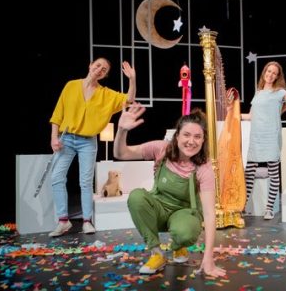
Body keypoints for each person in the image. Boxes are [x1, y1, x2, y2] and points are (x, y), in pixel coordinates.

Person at [114, 104, 226, 277]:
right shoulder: (162, 149)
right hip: (158, 209)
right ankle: (157, 254)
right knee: (136, 197)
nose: (191, 141)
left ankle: (178, 246)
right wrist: (121, 130)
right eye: (186, 135)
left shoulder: (204, 168)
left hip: (183, 213)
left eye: (198, 136)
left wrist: (208, 258)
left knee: (185, 232)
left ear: (203, 140)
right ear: (177, 135)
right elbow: (122, 153)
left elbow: (210, 214)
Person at [48, 58, 136, 237]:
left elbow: (129, 99)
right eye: (97, 66)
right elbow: (58, 113)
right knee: (57, 177)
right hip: (66, 138)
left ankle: (87, 221)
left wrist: (132, 79)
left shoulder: (106, 94)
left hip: (88, 141)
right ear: (90, 66)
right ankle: (63, 221)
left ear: (105, 75)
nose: (99, 70)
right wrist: (53, 137)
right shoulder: (71, 86)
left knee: (85, 181)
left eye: (104, 69)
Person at [241, 61, 286, 220]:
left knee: (273, 173)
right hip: (256, 137)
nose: (271, 75)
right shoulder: (258, 92)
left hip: (271, 136)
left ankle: (269, 208)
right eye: (269, 71)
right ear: (264, 72)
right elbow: (251, 116)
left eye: (274, 73)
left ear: (277, 77)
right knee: (249, 173)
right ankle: (242, 206)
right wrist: (234, 114)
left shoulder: (280, 92)